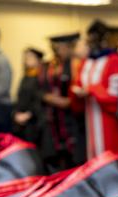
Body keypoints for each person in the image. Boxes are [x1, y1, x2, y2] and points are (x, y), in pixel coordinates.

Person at [70, 20, 118, 162]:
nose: (91, 44)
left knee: (109, 157)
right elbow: (77, 85)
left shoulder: (114, 61)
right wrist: (78, 91)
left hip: (109, 120)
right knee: (92, 156)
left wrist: (91, 89)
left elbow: (115, 97)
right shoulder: (86, 62)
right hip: (89, 118)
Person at [40, 32, 83, 170]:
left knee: (75, 154)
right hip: (55, 119)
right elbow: (41, 89)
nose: (58, 50)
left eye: (61, 47)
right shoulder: (50, 66)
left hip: (73, 118)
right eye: (56, 47)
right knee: (59, 155)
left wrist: (68, 101)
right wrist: (48, 97)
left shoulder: (77, 65)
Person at [13, 48, 45, 144]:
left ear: (38, 59)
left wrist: (29, 114)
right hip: (21, 121)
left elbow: (39, 98)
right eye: (25, 57)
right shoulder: (25, 77)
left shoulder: (42, 77)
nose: (27, 59)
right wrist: (16, 113)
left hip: (35, 120)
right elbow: (19, 97)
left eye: (30, 57)